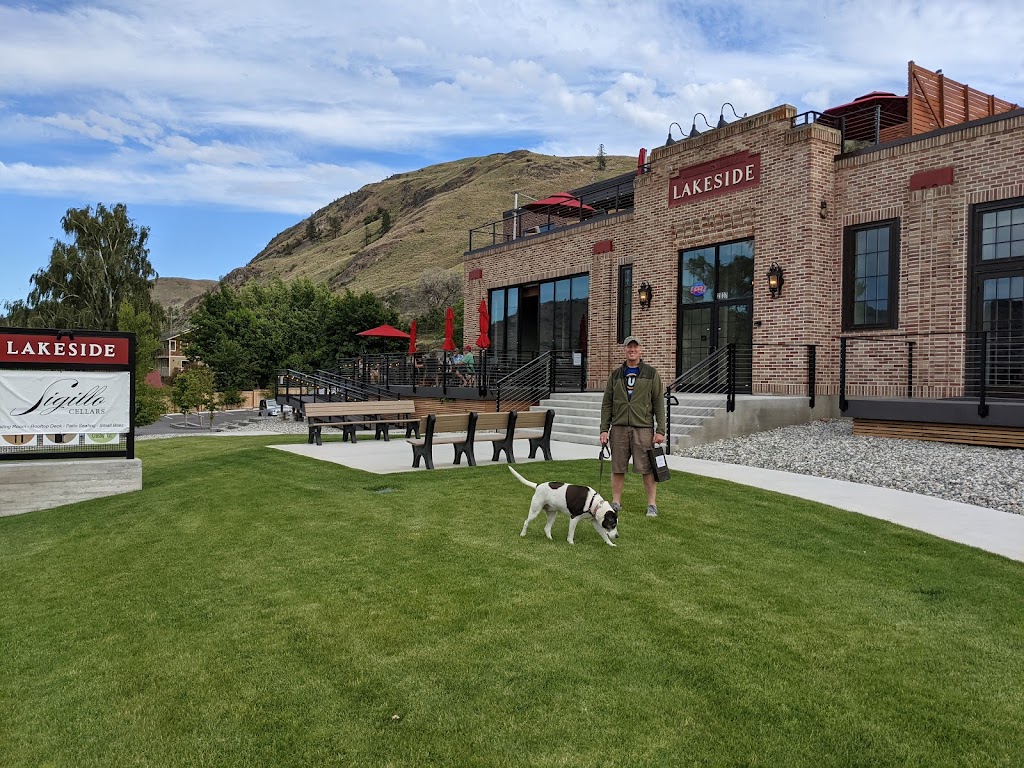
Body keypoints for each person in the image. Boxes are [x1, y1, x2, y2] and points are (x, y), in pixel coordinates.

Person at [600, 336, 666, 517]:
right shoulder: (615, 375)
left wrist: (660, 430)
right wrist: (604, 429)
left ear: (640, 350)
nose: (632, 350)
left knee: (647, 468)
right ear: (625, 350)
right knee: (617, 466)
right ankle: (615, 502)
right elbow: (607, 404)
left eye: (635, 347)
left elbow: (658, 403)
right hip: (619, 428)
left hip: (643, 428)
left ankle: (652, 505)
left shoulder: (651, 373)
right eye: (629, 347)